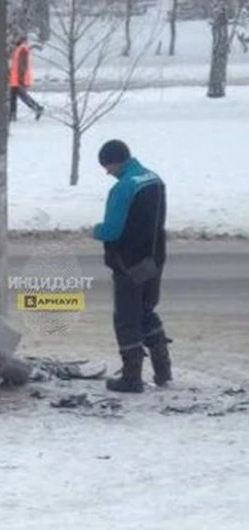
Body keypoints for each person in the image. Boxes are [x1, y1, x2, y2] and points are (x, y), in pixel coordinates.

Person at [92, 140, 172, 393]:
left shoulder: (124, 187)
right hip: (154, 259)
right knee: (147, 311)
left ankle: (131, 377)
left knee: (126, 318)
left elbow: (112, 231)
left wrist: (96, 231)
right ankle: (163, 370)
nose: (108, 172)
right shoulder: (154, 180)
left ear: (116, 161)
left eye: (108, 166)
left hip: (129, 263)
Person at [9, 36, 43, 121]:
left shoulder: (22, 49)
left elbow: (22, 65)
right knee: (17, 96)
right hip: (15, 78)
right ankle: (13, 114)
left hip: (18, 78)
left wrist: (21, 78)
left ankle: (13, 115)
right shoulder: (20, 49)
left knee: (18, 96)